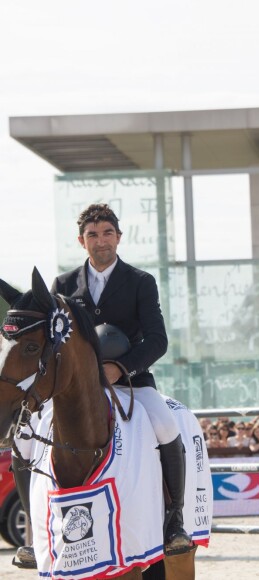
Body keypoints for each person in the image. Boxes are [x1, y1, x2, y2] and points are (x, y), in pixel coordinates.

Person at [26, 204, 191, 559]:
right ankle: (30, 536)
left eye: (107, 234)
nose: (101, 241)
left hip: (130, 380)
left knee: (165, 425)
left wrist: (121, 368)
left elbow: (157, 339)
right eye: (92, 235)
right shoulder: (63, 285)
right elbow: (56, 342)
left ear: (118, 236)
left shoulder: (140, 282)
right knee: (27, 439)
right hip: (75, 385)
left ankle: (175, 519)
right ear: (81, 241)